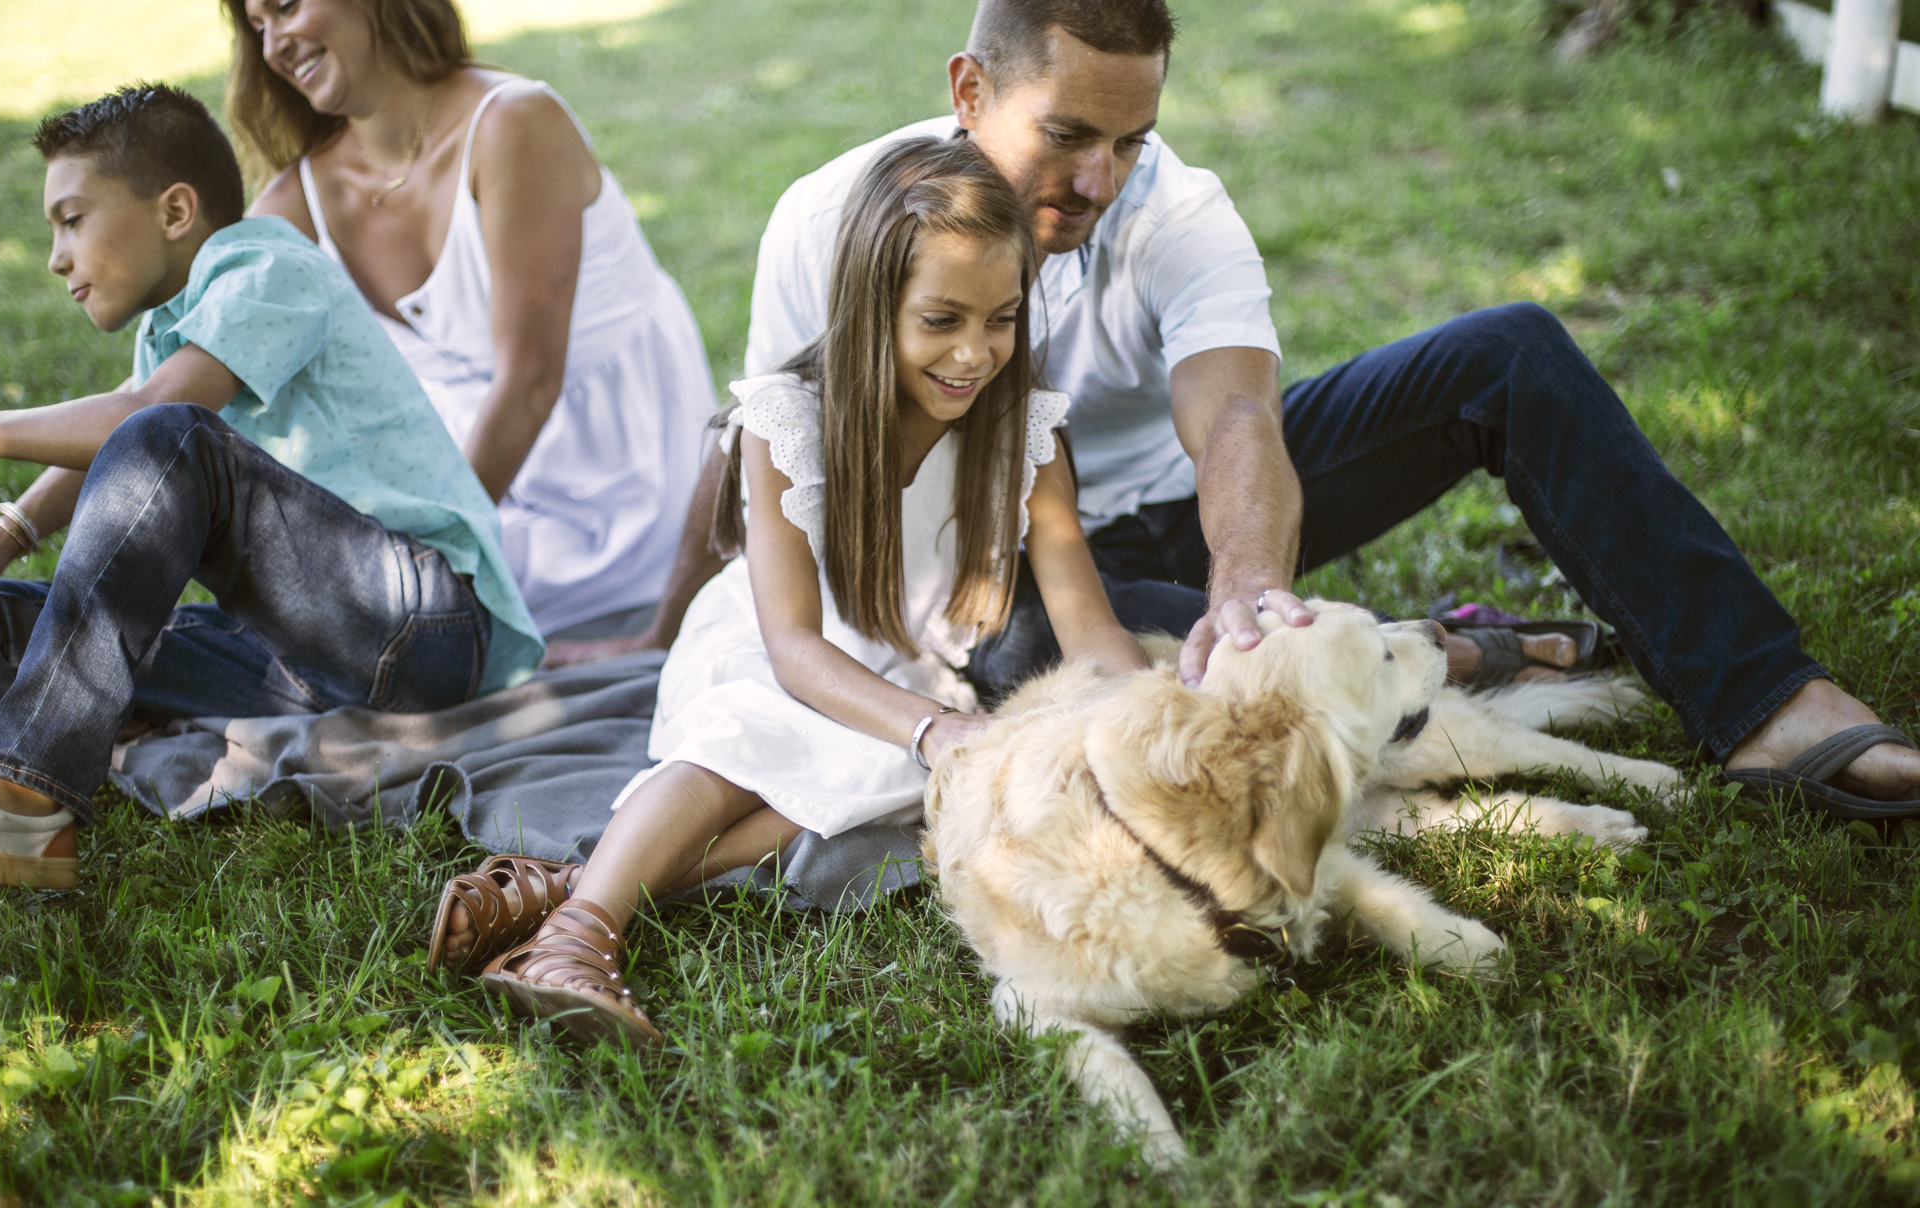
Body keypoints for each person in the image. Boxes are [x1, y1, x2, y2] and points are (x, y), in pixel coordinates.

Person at [613, 0, 1920, 818]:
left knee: (1508, 351)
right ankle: (1447, 651)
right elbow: (766, 440)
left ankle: (1765, 701)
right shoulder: (835, 219)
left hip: (1184, 513)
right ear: (969, 91)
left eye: (1128, 140)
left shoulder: (1176, 210)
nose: (1099, 179)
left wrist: (1246, 587)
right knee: (1025, 667)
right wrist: (660, 636)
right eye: (1066, 135)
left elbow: (1239, 418)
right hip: (1010, 573)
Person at [427, 138, 1146, 1047]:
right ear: (871, 307)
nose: (975, 352)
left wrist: (1157, 715)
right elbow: (795, 649)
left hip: (903, 670)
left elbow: (1090, 626)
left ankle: (564, 890)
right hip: (771, 648)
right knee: (762, 731)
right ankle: (582, 934)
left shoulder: (1023, 430)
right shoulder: (788, 421)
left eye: (1001, 319)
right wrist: (931, 728)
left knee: (895, 777)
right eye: (941, 319)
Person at [0, 84, 543, 888]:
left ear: (176, 211)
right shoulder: (173, 326)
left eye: (72, 219)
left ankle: (22, 796)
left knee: (170, 436)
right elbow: (121, 436)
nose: (55, 256)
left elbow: (148, 423)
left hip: (423, 625)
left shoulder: (269, 264)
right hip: (299, 656)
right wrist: (1, 541)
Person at [230, 0, 716, 645]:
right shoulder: (300, 201)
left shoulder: (514, 124)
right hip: (480, 499)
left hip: (626, 498)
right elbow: (188, 366)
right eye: (257, 27)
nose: (273, 47)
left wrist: (417, 571)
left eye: (286, 7)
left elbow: (530, 385)